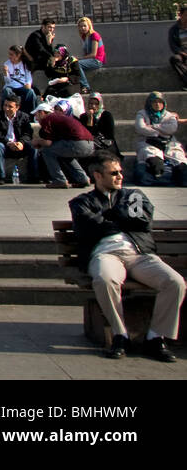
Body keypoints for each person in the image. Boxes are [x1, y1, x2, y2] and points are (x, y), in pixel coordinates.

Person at [71, 154, 184, 361]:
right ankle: (119, 334)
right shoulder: (82, 201)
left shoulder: (134, 195)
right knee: (105, 280)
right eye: (113, 173)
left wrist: (108, 216)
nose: (120, 176)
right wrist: (121, 218)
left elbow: (142, 222)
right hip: (105, 254)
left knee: (174, 282)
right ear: (97, 175)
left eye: (120, 172)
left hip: (139, 253)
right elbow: (87, 228)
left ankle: (156, 337)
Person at [133, 91, 185, 186]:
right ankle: (156, 168)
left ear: (164, 103)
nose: (157, 104)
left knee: (177, 156)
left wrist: (153, 126)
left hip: (168, 142)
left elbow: (172, 128)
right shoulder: (142, 113)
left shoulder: (169, 115)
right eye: (154, 102)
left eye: (160, 102)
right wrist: (159, 132)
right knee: (150, 155)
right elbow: (140, 127)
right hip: (148, 141)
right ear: (149, 103)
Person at [35, 107, 94, 189]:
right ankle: (83, 179)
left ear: (42, 113)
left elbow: (47, 143)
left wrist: (36, 142)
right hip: (90, 145)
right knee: (63, 154)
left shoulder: (47, 119)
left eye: (36, 115)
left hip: (78, 143)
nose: (35, 118)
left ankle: (59, 180)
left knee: (47, 151)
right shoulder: (58, 118)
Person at [0, 96, 37, 184]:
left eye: (10, 106)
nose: (6, 108)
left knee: (33, 147)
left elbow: (28, 133)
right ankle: (0, 177)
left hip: (19, 145)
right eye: (5, 105)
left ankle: (34, 177)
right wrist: (8, 143)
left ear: (17, 107)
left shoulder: (24, 117)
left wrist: (21, 142)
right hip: (4, 145)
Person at [22, 17, 57, 92]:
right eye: (49, 27)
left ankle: (54, 84)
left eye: (53, 28)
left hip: (41, 61)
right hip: (31, 61)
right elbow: (41, 50)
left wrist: (49, 43)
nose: (51, 30)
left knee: (55, 65)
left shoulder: (48, 36)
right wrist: (52, 57)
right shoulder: (35, 35)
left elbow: (51, 52)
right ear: (43, 26)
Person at [2, 45, 38, 113]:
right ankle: (6, 113)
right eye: (9, 54)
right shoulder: (6, 64)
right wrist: (5, 74)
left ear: (18, 55)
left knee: (31, 92)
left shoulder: (24, 64)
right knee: (6, 91)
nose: (9, 56)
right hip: (11, 86)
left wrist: (28, 84)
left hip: (22, 86)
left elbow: (28, 76)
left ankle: (32, 114)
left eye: (11, 54)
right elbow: (7, 82)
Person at [74, 16, 105, 93]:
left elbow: (93, 54)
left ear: (89, 26)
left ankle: (86, 86)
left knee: (76, 63)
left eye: (85, 26)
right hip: (90, 60)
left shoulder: (94, 35)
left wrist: (79, 58)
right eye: (81, 26)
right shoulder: (84, 37)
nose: (83, 28)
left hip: (97, 61)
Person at [169, 5, 187, 88]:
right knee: (174, 59)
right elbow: (172, 45)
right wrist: (181, 52)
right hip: (183, 54)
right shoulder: (174, 29)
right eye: (186, 15)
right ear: (181, 15)